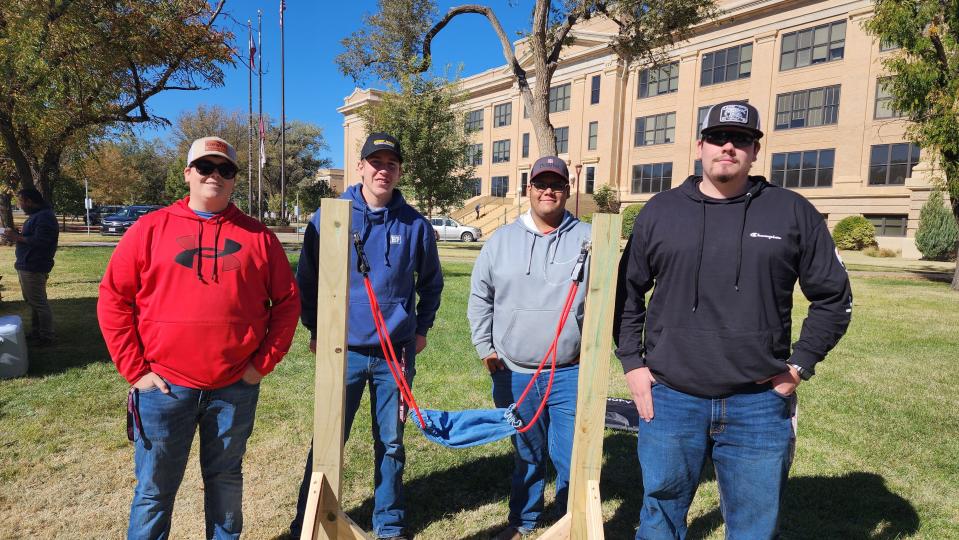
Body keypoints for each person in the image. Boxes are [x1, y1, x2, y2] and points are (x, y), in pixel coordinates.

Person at [614, 101, 853, 539]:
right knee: (659, 517)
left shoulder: (792, 212)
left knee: (753, 527)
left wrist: (798, 366)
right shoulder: (660, 211)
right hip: (670, 398)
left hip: (758, 404)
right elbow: (625, 294)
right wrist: (633, 364)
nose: (729, 146)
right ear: (700, 145)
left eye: (741, 139)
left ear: (755, 150)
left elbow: (834, 298)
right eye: (719, 138)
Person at [98, 136, 300, 539]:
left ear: (235, 179)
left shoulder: (258, 237)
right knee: (154, 491)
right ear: (188, 174)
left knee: (226, 482)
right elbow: (114, 299)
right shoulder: (149, 229)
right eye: (206, 167)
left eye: (225, 170)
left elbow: (288, 304)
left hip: (233, 389)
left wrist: (263, 363)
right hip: (163, 388)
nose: (215, 176)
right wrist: (136, 371)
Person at [291, 132, 443, 540]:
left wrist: (421, 329)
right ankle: (307, 518)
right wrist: (316, 329)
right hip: (344, 350)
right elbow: (307, 279)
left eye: (391, 164)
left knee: (391, 441)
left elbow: (431, 283)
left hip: (395, 355)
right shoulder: (331, 216)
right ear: (360, 167)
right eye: (375, 162)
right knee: (329, 437)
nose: (383, 170)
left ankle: (389, 523)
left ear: (398, 172)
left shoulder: (415, 224)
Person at [468, 156, 591, 540]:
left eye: (556, 184)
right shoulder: (501, 240)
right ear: (529, 190)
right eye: (541, 183)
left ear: (568, 191)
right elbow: (480, 297)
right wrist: (486, 348)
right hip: (515, 370)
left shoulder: (589, 238)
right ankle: (523, 521)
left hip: (570, 370)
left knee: (572, 454)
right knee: (527, 450)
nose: (548, 190)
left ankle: (570, 520)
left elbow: (609, 299)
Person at [4, 188, 59, 345]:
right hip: (28, 264)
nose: (20, 205)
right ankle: (37, 332)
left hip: (34, 265)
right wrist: (16, 235)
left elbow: (42, 242)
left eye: (21, 201)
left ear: (29, 201)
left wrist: (17, 237)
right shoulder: (38, 216)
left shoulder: (44, 217)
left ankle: (47, 336)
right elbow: (32, 237)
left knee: (39, 303)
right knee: (33, 302)